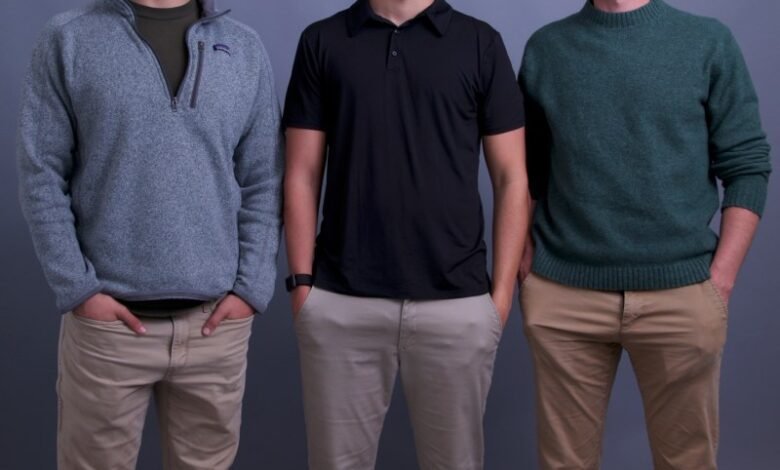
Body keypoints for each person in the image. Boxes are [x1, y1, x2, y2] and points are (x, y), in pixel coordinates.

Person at [16, 0, 283, 468]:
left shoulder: (244, 48)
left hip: (215, 328)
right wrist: (78, 289)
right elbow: (41, 173)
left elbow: (265, 179)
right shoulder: (69, 37)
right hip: (108, 331)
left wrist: (251, 288)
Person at [517, 0, 772, 468]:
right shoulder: (547, 48)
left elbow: (748, 165)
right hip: (564, 296)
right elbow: (525, 171)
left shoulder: (706, 41)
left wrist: (723, 277)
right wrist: (524, 259)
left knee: (687, 462)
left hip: (682, 291)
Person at [282, 0, 528, 468]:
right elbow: (301, 172)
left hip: (457, 304)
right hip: (340, 301)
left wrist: (499, 299)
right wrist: (302, 287)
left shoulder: (479, 43)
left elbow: (513, 177)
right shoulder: (323, 40)